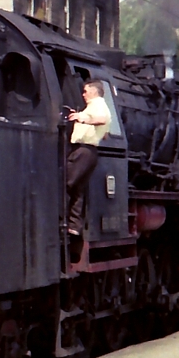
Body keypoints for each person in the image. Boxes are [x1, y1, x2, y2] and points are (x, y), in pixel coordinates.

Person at [66, 80, 112, 257]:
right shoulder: (94, 107)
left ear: (94, 91)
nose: (83, 94)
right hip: (89, 152)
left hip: (84, 151)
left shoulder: (98, 104)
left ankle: (62, 219)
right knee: (78, 189)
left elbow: (102, 119)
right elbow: (105, 134)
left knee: (66, 182)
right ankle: (74, 226)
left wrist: (83, 118)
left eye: (85, 91)